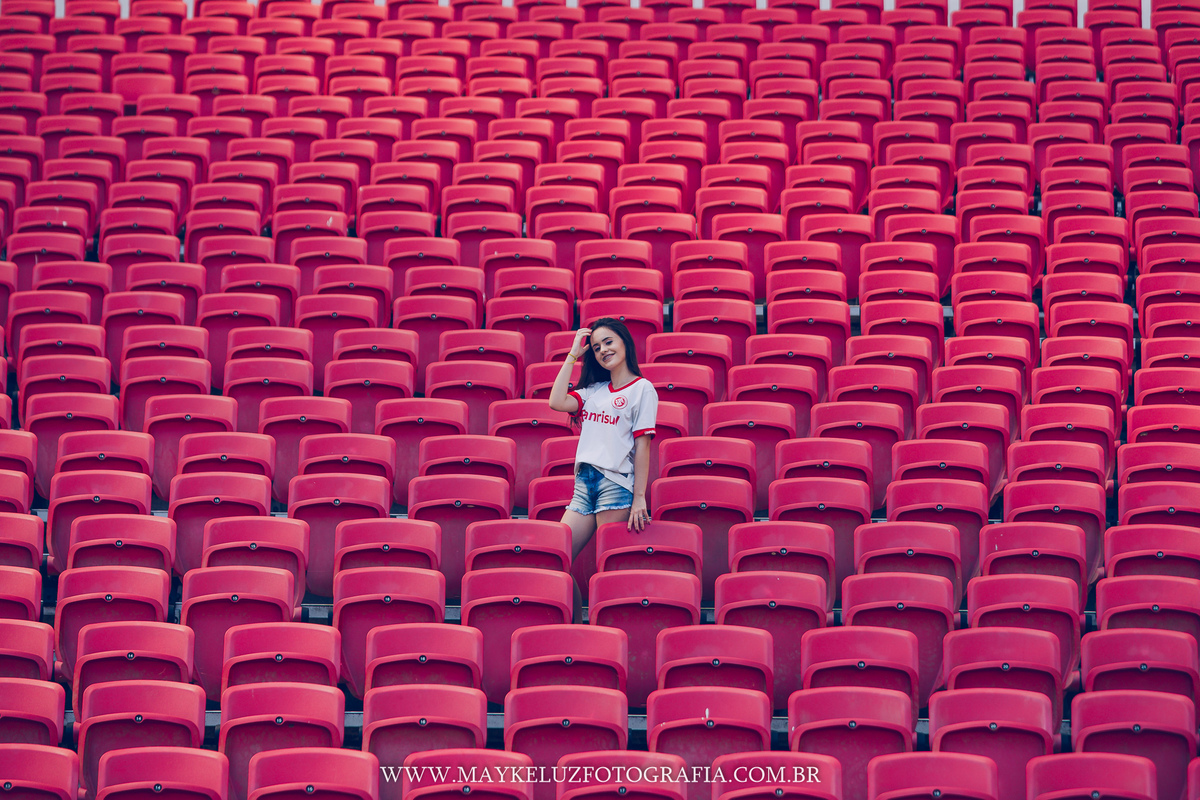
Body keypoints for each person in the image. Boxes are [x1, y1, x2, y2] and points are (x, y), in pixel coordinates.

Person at [548, 318, 659, 609]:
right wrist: (573, 354)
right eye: (596, 347)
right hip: (584, 484)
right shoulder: (594, 391)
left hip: (615, 484)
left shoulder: (642, 389)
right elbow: (556, 402)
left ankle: (601, 627)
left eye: (608, 342)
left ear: (625, 343)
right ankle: (572, 625)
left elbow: (643, 445)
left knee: (606, 566)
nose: (603, 350)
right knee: (555, 558)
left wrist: (639, 497)